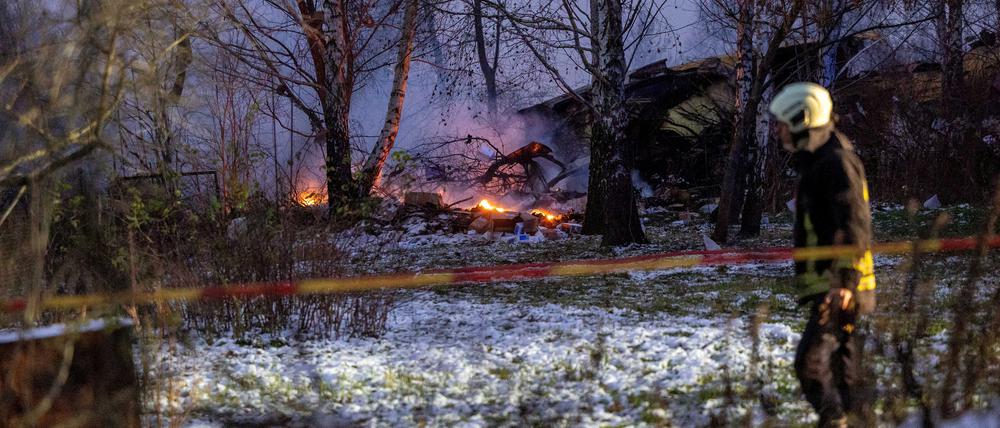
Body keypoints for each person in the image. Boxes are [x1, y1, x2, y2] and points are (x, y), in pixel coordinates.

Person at [768, 82, 876, 427]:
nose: (777, 131)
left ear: (803, 121)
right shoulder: (818, 161)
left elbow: (854, 226)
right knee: (844, 374)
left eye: (783, 123)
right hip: (834, 287)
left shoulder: (836, 162)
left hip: (842, 288)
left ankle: (837, 422)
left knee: (811, 365)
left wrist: (844, 284)